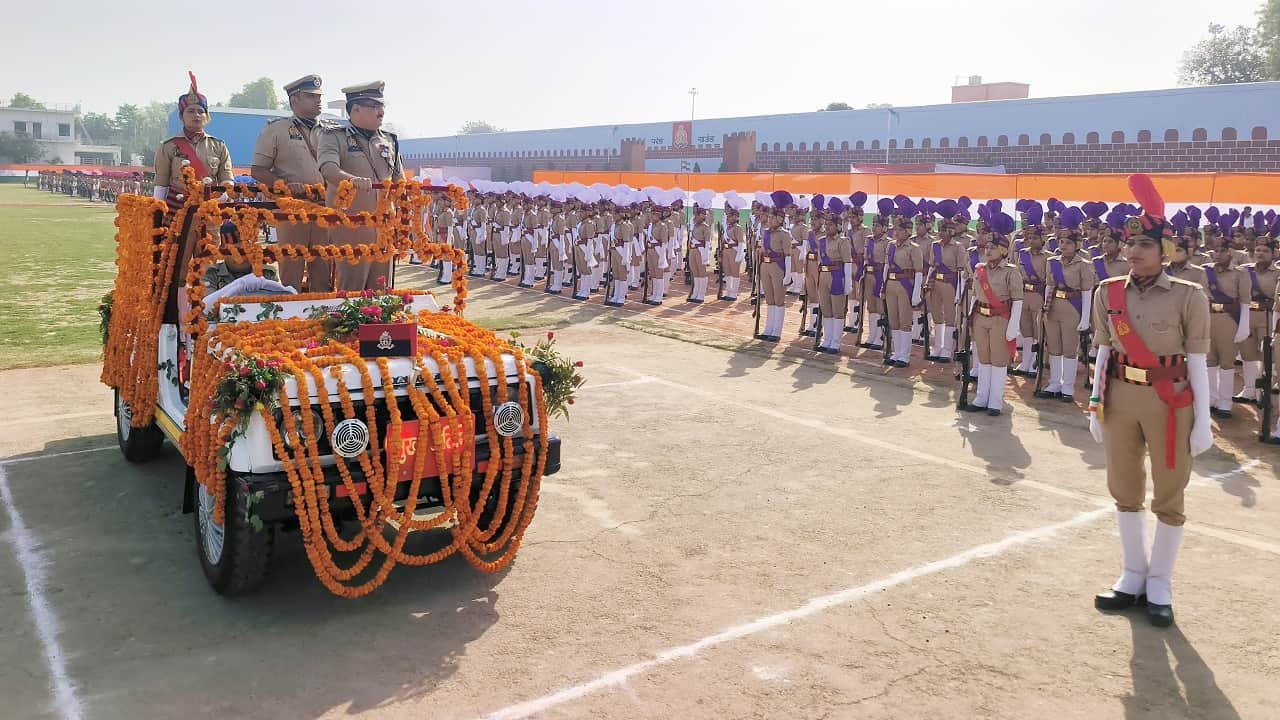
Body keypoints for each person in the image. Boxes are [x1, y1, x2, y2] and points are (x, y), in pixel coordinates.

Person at [1089, 174, 1212, 629]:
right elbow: (1102, 351)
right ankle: (1132, 574)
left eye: (1145, 243)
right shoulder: (1109, 291)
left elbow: (1197, 359)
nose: (1135, 251)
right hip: (1121, 397)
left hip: (1171, 401)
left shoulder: (1188, 296)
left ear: (1165, 251)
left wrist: (1202, 422)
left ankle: (1160, 582)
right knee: (1123, 488)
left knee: (1169, 492)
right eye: (1131, 243)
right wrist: (1096, 405)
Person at [317, 81, 405, 291]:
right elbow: (328, 168)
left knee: (381, 289)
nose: (381, 112)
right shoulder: (333, 136)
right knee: (352, 288)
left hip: (383, 226)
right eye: (374, 106)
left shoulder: (389, 140)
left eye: (382, 106)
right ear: (355, 108)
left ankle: (380, 323)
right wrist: (351, 180)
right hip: (352, 226)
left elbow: (398, 179)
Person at [250, 74, 335, 292]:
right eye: (310, 96)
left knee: (324, 270)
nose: (318, 100)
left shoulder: (330, 131)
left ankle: (321, 319)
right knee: (291, 271)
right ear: (295, 99)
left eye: (319, 96)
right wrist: (284, 184)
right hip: (292, 208)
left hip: (324, 208)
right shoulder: (276, 130)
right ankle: (290, 320)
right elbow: (258, 170)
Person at [153, 72, 233, 281]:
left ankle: (205, 304)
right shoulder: (168, 146)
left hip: (209, 213)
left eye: (200, 111)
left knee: (208, 262)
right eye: (191, 111)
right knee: (176, 262)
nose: (196, 115)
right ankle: (178, 308)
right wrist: (157, 218)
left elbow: (227, 178)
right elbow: (161, 184)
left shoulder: (218, 145)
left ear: (206, 116)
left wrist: (219, 199)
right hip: (178, 211)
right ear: (182, 116)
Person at [961, 211, 1023, 415]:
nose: (987, 250)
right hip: (980, 317)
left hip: (1000, 319)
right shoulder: (980, 269)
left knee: (998, 360)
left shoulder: (1011, 271)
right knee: (983, 358)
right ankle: (981, 397)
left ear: (1003, 250)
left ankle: (995, 400)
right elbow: (975, 295)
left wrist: (1013, 327)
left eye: (992, 247)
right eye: (986, 247)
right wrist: (970, 318)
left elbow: (1017, 301)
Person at [1038, 215, 1096, 402]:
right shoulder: (1052, 262)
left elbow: (1087, 292)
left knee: (1070, 348)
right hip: (1054, 306)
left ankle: (1068, 386)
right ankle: (1055, 382)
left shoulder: (1084, 264)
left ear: (1076, 245)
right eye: (1061, 241)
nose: (1063, 245)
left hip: (1073, 306)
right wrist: (1044, 308)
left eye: (1068, 243)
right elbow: (1048, 285)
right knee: (1054, 346)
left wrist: (1085, 318)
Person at [1199, 242, 1250, 419]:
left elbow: (1245, 301)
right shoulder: (1205, 270)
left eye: (1222, 251)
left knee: (1227, 362)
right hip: (1207, 317)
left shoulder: (1240, 273)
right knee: (1209, 360)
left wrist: (1244, 325)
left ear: (1230, 253)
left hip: (1228, 319)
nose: (1218, 254)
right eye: (1216, 251)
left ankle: (1225, 402)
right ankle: (1211, 398)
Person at [1235, 237, 1278, 405]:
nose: (1260, 253)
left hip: (1267, 317)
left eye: (1265, 251)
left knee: (1266, 355)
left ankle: (1263, 390)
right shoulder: (1243, 270)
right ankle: (1249, 390)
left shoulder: (1277, 273)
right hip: (1247, 316)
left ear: (1273, 253)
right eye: (1258, 250)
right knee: (1247, 354)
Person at [1012, 204, 1049, 377]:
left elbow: (1049, 280)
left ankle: (1035, 362)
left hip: (1038, 295)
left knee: (1037, 330)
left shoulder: (1049, 257)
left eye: (1035, 237)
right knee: (1025, 329)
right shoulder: (1023, 254)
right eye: (1030, 236)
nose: (1031, 239)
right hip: (1024, 294)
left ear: (1043, 239)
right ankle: (1025, 362)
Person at [815, 197, 853, 353]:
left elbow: (848, 262)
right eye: (826, 224)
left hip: (837, 275)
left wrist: (848, 282)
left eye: (830, 224)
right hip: (823, 275)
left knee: (837, 310)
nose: (827, 227)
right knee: (826, 308)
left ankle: (836, 342)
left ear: (838, 226)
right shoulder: (822, 240)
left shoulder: (843, 241)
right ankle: (827, 339)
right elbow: (819, 261)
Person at [756, 192, 793, 341]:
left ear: (780, 219)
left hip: (778, 266)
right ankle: (768, 328)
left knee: (779, 299)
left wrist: (788, 274)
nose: (769, 220)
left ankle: (776, 331)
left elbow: (788, 255)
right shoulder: (766, 232)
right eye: (769, 217)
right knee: (770, 299)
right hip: (766, 265)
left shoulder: (784, 234)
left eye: (772, 217)